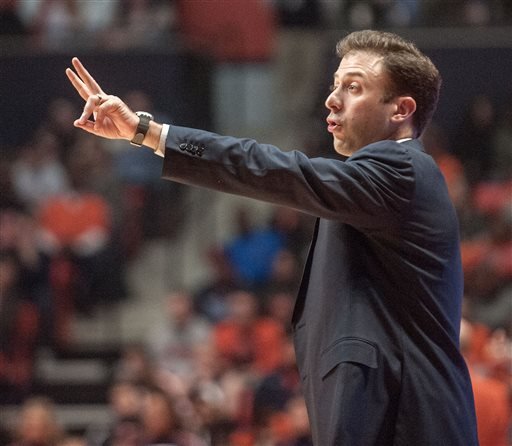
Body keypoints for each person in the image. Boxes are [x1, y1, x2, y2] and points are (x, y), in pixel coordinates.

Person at [65, 30, 478, 445]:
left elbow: (275, 170)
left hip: (407, 421)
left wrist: (148, 132)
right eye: (334, 85)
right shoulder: (372, 187)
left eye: (353, 87)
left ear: (401, 109)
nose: (331, 99)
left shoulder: (400, 168)